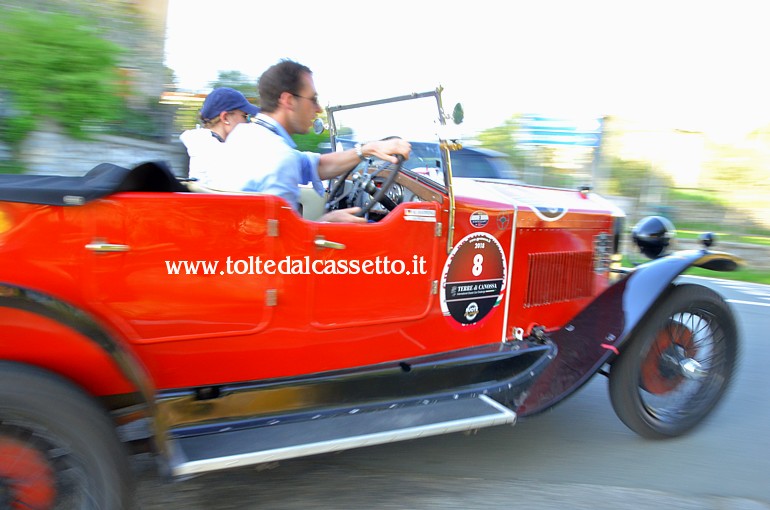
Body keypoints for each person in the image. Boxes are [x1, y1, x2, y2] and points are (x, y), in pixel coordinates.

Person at [216, 60, 411, 223]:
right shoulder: (277, 157)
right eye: (313, 99)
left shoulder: (246, 135)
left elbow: (315, 165)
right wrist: (328, 222)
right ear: (289, 101)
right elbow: (284, 248)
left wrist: (367, 149)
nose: (318, 109)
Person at [179, 87, 259, 185]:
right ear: (225, 117)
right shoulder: (220, 157)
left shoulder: (198, 146)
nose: (249, 122)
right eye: (246, 116)